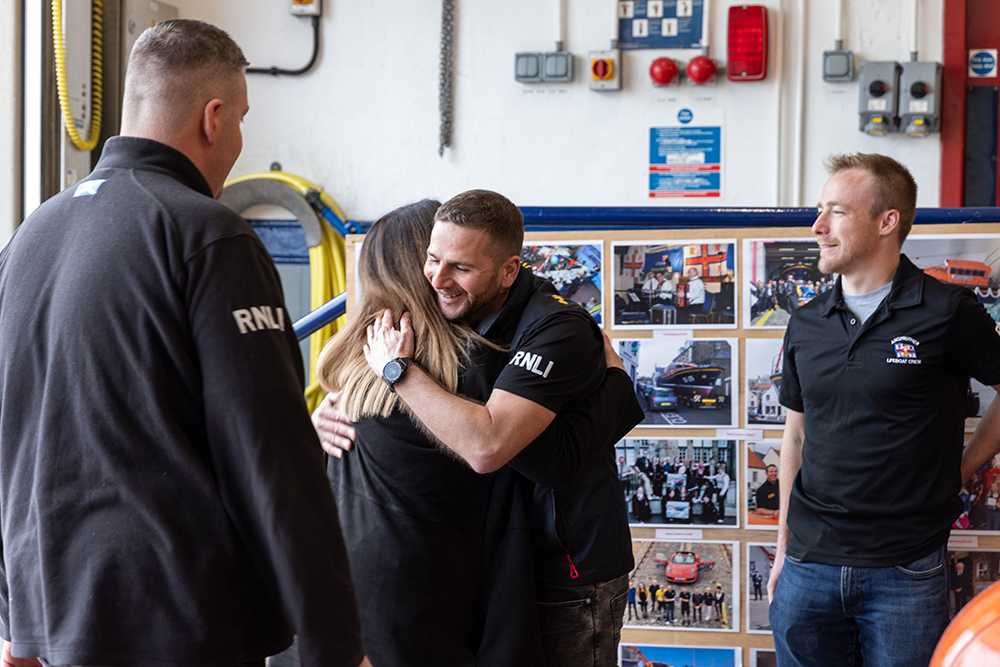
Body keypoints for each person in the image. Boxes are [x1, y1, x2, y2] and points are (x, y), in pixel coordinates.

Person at [0, 19, 369, 667]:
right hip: (174, 619)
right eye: (243, 119)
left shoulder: (29, 238)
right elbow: (272, 454)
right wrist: (335, 645)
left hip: (53, 619)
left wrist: (13, 614)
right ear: (214, 117)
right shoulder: (207, 235)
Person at [328, 189, 640, 667]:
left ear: (507, 269)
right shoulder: (436, 343)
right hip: (495, 566)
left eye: (461, 267)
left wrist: (396, 373)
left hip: (565, 569)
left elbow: (497, 446)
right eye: (432, 260)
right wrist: (617, 394)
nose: (440, 278)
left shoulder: (544, 331)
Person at [768, 153, 1000, 667]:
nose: (818, 226)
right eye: (819, 211)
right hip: (808, 568)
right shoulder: (806, 321)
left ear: (887, 221)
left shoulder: (947, 311)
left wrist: (960, 469)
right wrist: (783, 546)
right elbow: (796, 438)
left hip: (905, 572)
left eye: (836, 212)